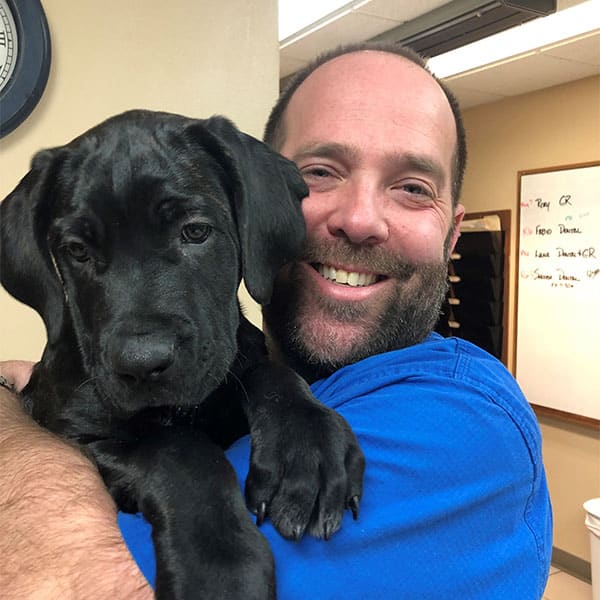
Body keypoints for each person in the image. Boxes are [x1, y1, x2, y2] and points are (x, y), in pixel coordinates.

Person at [0, 41, 552, 599]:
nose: (361, 220)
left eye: (412, 188)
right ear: (273, 210)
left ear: (453, 235)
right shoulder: (261, 366)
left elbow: (62, 576)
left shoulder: (462, 424)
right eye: (321, 172)